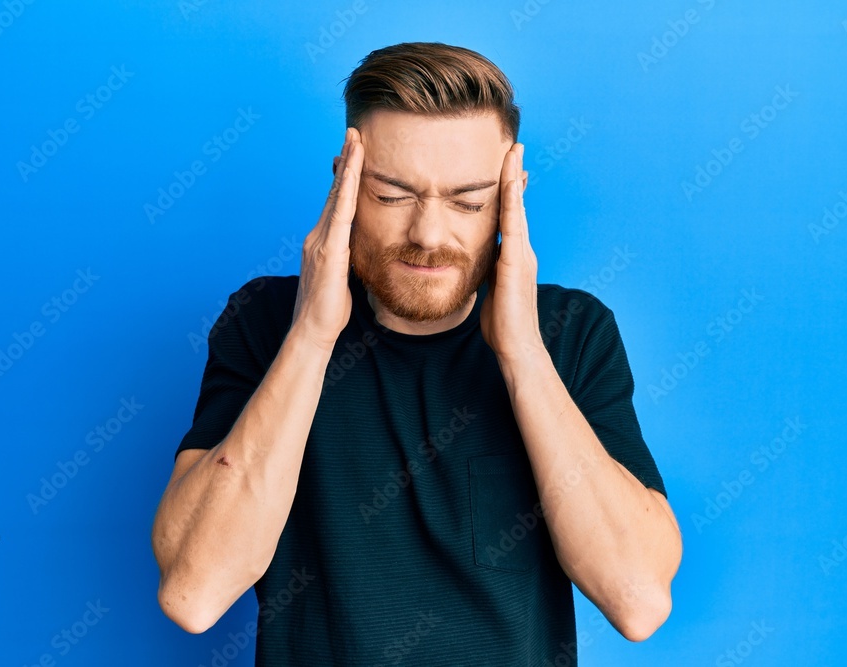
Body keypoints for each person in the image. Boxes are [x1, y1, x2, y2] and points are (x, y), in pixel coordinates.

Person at [151, 41, 682, 666]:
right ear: (344, 184)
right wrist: (311, 337)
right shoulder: (266, 323)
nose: (429, 234)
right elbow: (195, 592)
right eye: (392, 195)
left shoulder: (570, 333)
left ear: (510, 197)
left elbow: (638, 601)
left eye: (468, 201)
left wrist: (522, 357)